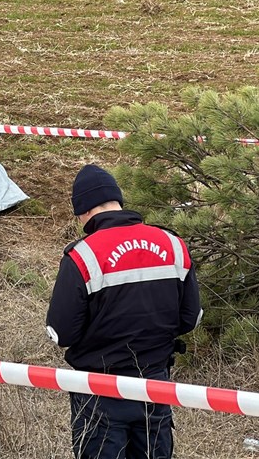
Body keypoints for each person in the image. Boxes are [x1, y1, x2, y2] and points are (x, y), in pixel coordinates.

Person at [46, 164, 201, 459]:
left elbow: (62, 332)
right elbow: (190, 319)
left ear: (82, 211)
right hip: (155, 384)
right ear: (118, 201)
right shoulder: (173, 245)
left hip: (98, 389)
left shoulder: (82, 255)